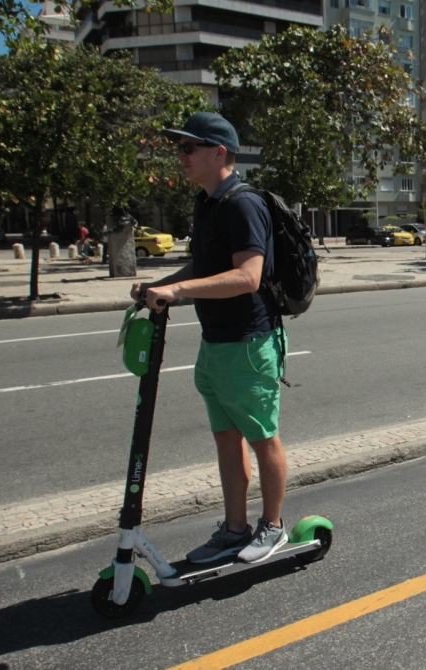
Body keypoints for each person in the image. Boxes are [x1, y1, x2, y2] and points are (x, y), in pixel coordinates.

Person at [130, 112, 289, 565]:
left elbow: (248, 276)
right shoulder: (207, 204)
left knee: (263, 439)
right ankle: (234, 528)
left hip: (248, 343)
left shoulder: (241, 204)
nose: (180, 156)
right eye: (179, 148)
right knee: (226, 439)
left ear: (219, 152)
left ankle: (272, 527)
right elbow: (204, 270)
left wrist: (178, 290)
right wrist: (159, 288)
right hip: (215, 341)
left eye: (188, 148)